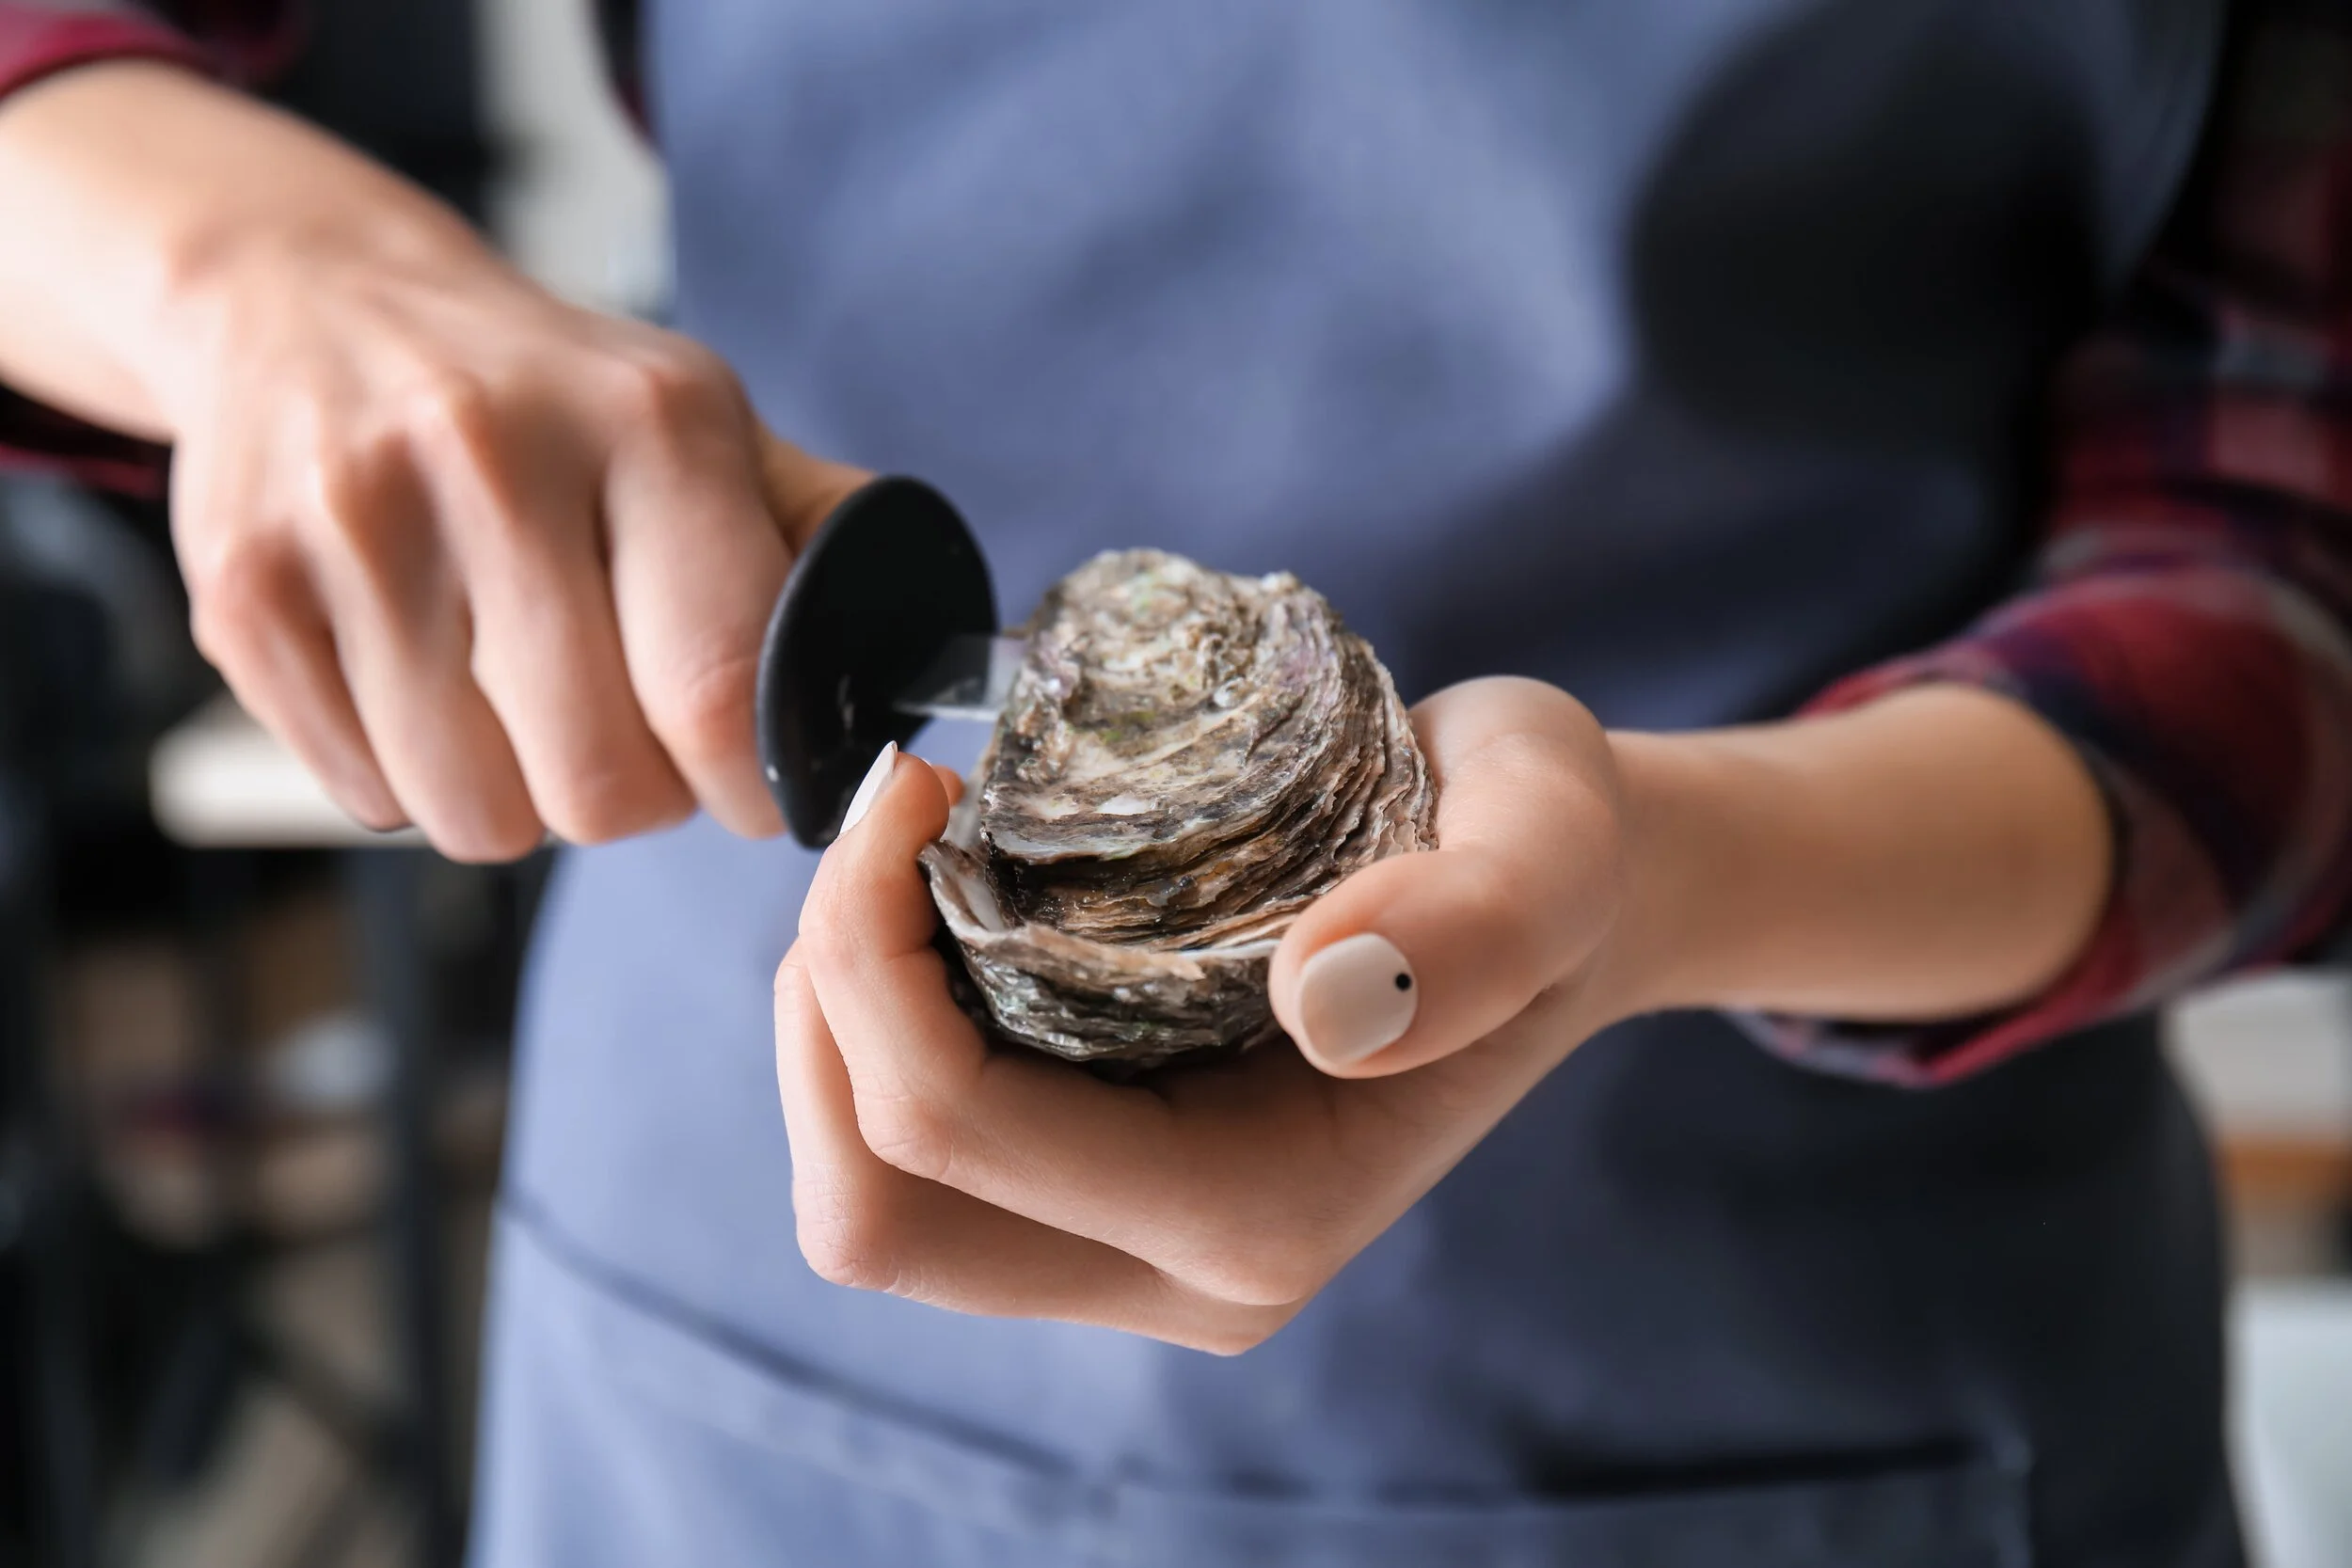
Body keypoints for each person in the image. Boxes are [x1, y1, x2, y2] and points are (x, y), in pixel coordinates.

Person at [3, 0, 2350, 1562]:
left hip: (1759, 1301)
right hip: (730, 1262)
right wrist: (259, 277)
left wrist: (1654, 874)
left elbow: (2275, 591)